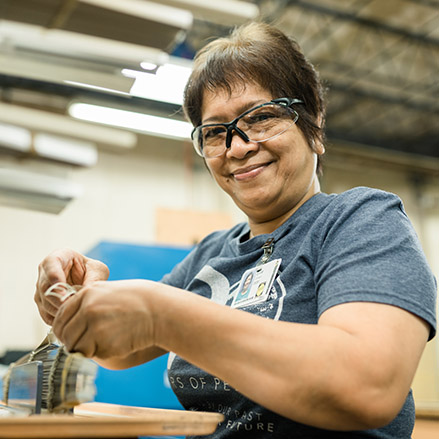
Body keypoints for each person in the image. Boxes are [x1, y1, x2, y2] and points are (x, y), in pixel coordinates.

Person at [34, 22, 437, 438]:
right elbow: (122, 350)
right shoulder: (211, 254)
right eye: (215, 133)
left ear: (313, 124)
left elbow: (370, 386)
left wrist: (160, 314)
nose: (238, 146)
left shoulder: (360, 220)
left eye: (261, 118)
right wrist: (82, 303)